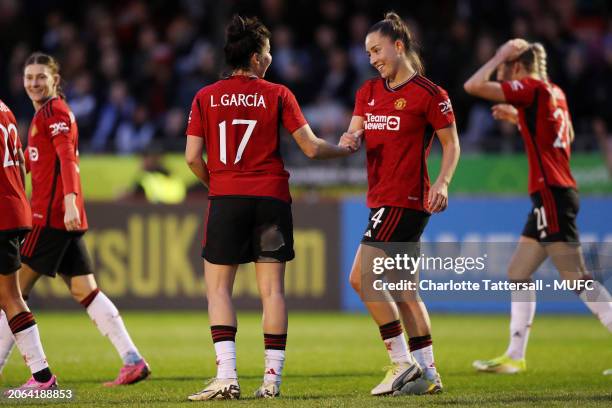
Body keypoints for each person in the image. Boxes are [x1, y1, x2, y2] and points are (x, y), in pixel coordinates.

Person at [185, 15, 356, 401]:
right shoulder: (278, 94)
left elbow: (193, 158)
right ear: (258, 58)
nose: (272, 57)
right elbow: (311, 147)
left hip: (227, 198)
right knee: (273, 292)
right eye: (269, 51)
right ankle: (271, 381)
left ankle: (227, 378)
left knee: (218, 291)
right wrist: (344, 149)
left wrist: (220, 184)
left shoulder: (205, 96)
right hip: (271, 201)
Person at [0, 52, 151, 386]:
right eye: (29, 78)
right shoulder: (44, 115)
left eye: (41, 77)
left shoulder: (55, 113)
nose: (34, 83)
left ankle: (33, 376)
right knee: (85, 289)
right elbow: (43, 161)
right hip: (60, 217)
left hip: (50, 216)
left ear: (56, 79)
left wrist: (69, 201)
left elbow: (67, 158)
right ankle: (132, 359)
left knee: (10, 296)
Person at [464, 39, 612, 374]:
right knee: (518, 271)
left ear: (517, 66)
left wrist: (497, 54)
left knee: (577, 279)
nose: (502, 74)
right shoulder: (554, 92)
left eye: (505, 68)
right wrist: (520, 119)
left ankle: (516, 355)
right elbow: (565, 135)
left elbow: (472, 85)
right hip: (553, 194)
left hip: (552, 194)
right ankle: (515, 356)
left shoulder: (529, 86)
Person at [340, 12, 460, 396]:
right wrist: (350, 138)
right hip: (381, 199)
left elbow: (451, 144)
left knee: (361, 278)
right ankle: (428, 374)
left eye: (377, 50)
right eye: (368, 53)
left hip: (405, 199)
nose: (373, 58)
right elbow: (354, 129)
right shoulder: (369, 91)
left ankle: (400, 362)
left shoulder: (430, 94)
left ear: (399, 45)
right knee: (406, 291)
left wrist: (442, 181)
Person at [0, 98, 57, 390]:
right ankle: (42, 376)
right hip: (14, 208)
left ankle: (43, 376)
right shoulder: (5, 110)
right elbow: (21, 162)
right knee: (9, 296)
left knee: (10, 297)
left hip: (2, 212)